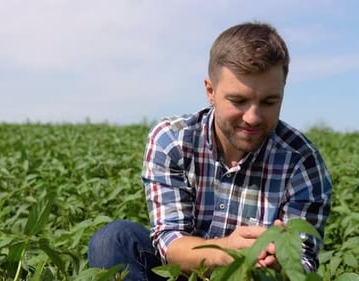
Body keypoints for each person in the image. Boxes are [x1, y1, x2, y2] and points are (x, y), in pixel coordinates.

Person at [88, 21, 332, 281]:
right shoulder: (173, 141)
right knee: (113, 240)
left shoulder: (300, 160)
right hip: (183, 272)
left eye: (269, 101)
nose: (253, 117)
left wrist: (280, 259)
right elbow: (170, 239)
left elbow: (304, 261)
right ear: (210, 91)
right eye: (238, 101)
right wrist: (225, 251)